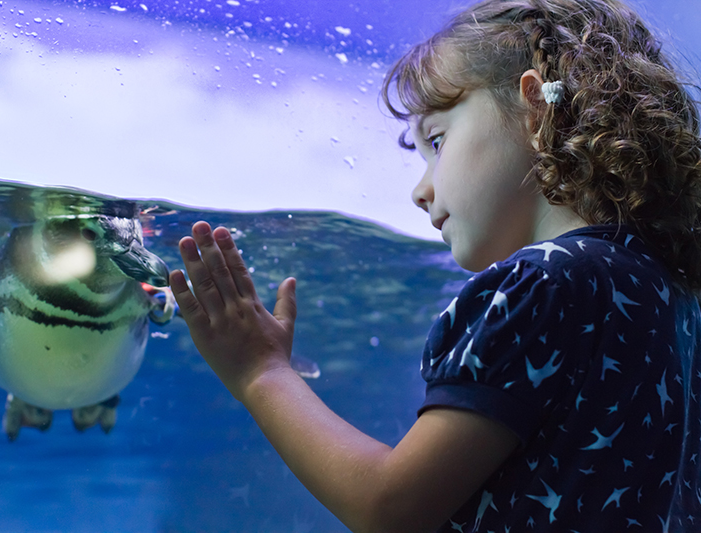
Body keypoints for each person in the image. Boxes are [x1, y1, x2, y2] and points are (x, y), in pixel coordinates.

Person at [168, 0, 701, 530]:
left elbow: (390, 507)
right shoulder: (674, 296)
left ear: (537, 110)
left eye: (437, 141)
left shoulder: (539, 282)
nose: (420, 191)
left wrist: (261, 372)